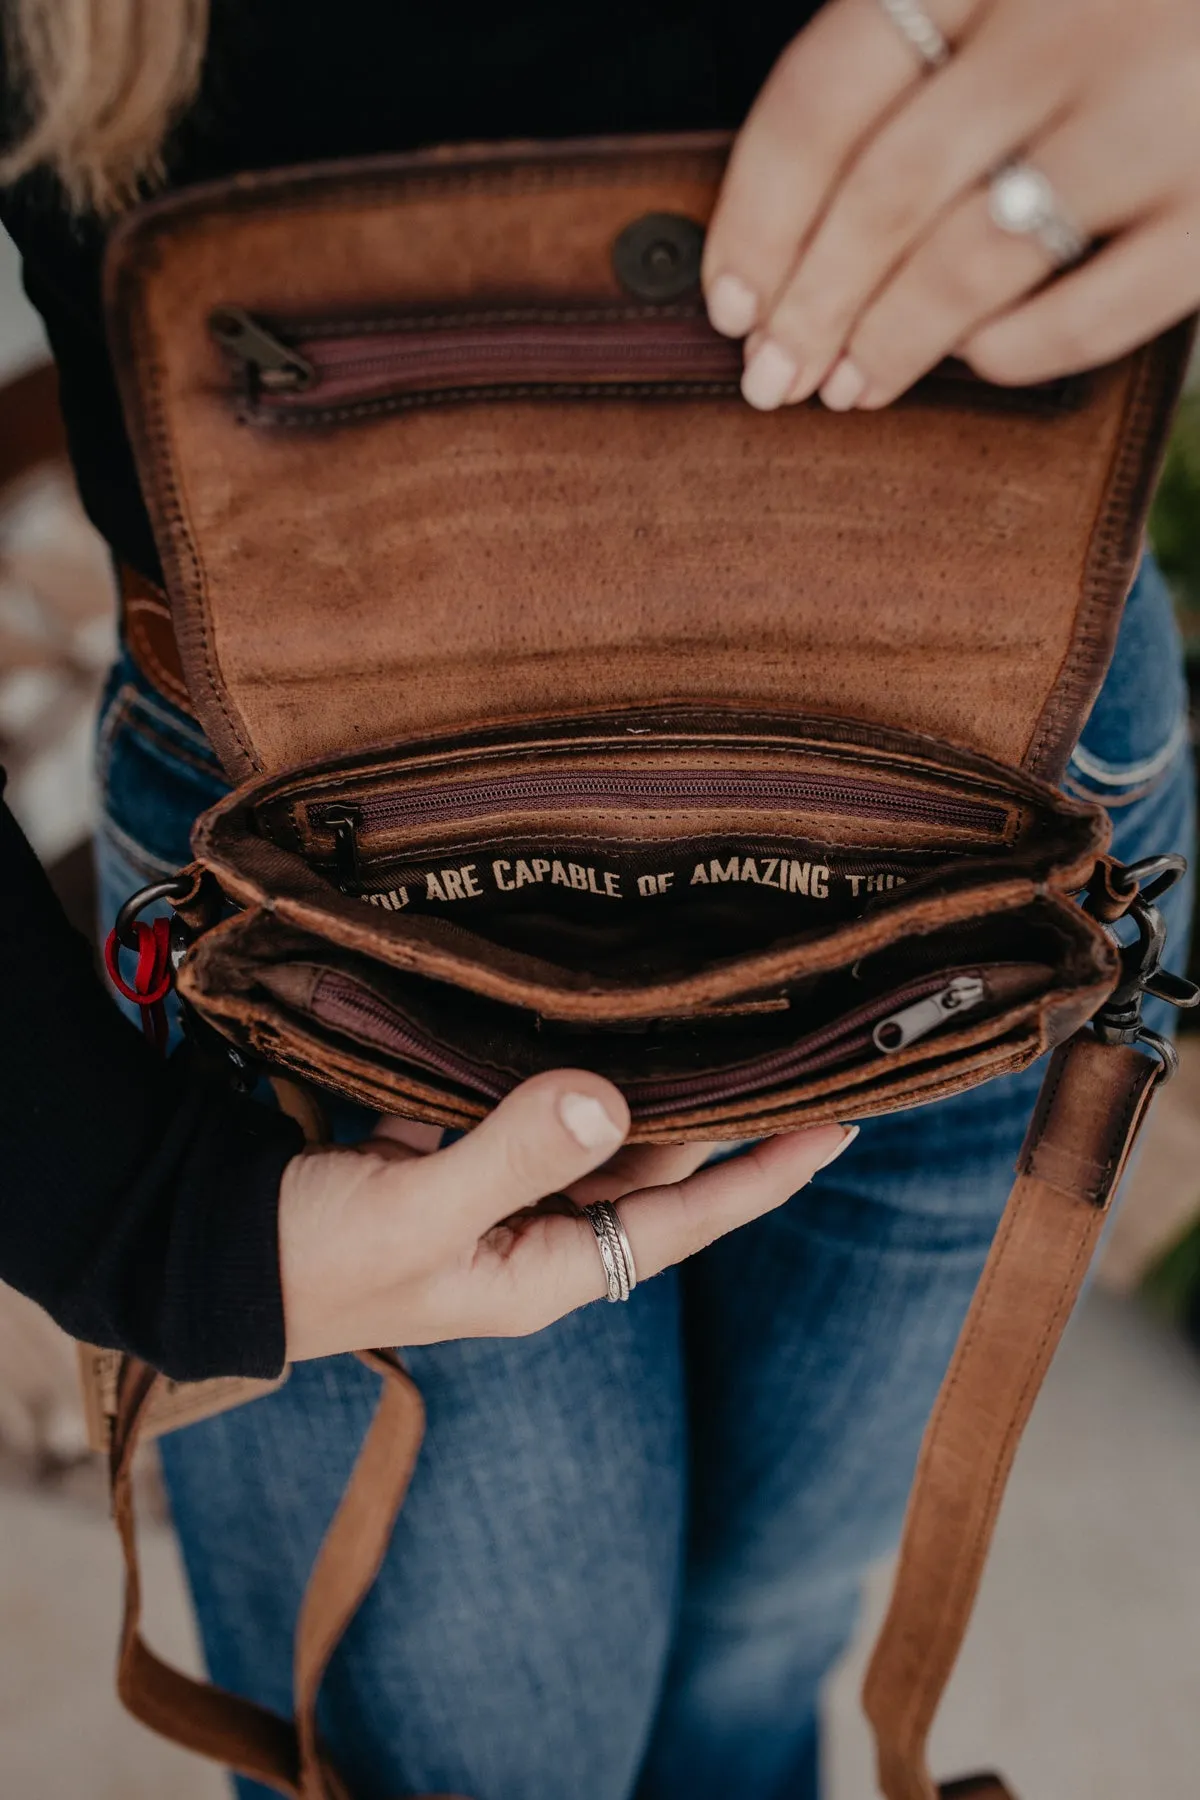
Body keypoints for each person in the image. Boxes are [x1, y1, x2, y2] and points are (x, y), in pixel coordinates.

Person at [0, 3, 1195, 1796]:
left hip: (997, 816)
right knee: (471, 1759)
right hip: (321, 929)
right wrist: (142, 1218)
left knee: (763, 1643)